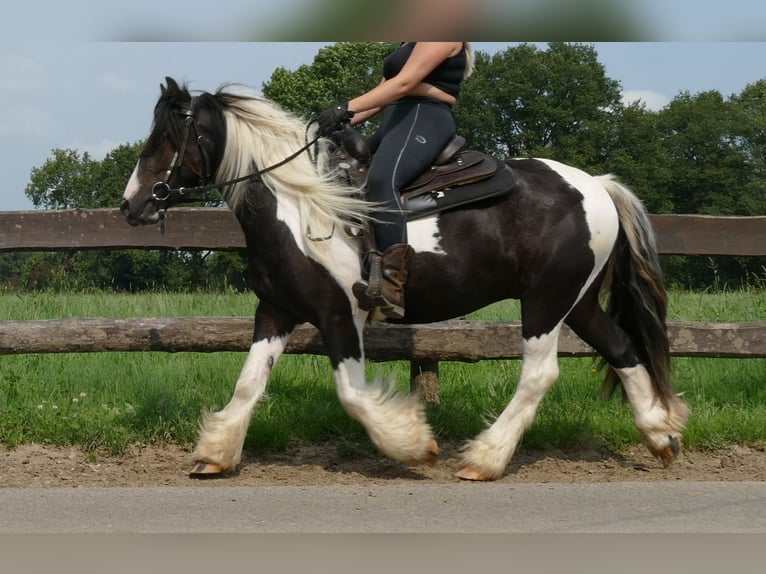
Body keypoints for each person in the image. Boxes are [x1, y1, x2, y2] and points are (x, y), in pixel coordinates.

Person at [316, 42, 474, 319]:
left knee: (381, 179)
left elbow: (403, 84)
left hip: (425, 118)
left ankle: (391, 286)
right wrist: (334, 122)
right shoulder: (407, 41)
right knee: (338, 173)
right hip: (396, 119)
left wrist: (344, 107)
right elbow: (383, 94)